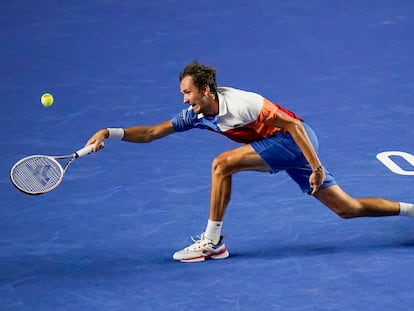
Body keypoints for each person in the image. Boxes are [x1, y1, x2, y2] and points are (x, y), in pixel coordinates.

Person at [86, 61, 414, 263]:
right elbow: (152, 132)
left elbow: (294, 126)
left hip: (294, 141)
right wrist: (109, 132)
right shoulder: (197, 114)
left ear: (205, 89)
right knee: (348, 208)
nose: (184, 99)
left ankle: (212, 243)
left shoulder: (244, 104)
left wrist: (316, 167)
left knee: (222, 164)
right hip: (281, 146)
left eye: (187, 93)